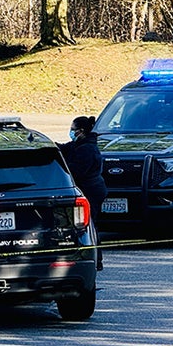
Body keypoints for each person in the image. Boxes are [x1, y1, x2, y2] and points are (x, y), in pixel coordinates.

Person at [58, 115, 107, 270]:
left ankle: (96, 260)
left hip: (91, 190)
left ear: (81, 131)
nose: (71, 132)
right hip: (91, 188)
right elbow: (63, 148)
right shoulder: (79, 145)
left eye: (73, 130)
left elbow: (76, 171)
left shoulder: (87, 149)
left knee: (90, 225)